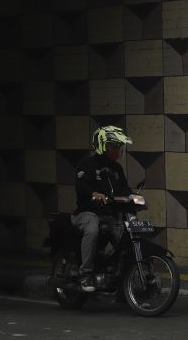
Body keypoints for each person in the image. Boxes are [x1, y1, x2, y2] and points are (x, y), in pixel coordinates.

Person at [72, 125, 133, 292]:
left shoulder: (116, 169)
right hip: (88, 213)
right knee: (92, 230)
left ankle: (123, 282)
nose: (118, 150)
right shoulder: (88, 164)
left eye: (119, 147)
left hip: (110, 216)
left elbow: (125, 190)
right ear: (103, 146)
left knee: (126, 241)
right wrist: (94, 193)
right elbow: (81, 186)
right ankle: (85, 274)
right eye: (114, 146)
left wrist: (134, 198)